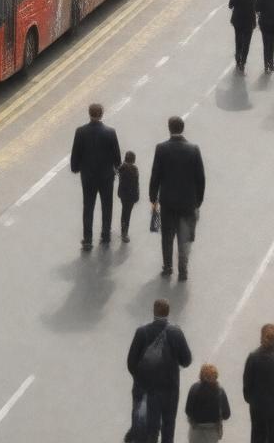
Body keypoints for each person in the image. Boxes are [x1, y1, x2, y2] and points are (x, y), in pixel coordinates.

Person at [127, 299, 193, 443]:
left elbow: (131, 363)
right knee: (168, 427)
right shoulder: (176, 332)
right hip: (169, 390)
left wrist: (141, 379)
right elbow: (186, 360)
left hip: (146, 390)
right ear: (168, 312)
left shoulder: (142, 332)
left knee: (149, 430)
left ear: (154, 312)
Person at [149, 116, 205, 281]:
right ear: (183, 128)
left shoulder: (161, 148)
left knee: (167, 236)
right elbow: (200, 178)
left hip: (168, 202)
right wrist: (198, 201)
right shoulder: (194, 149)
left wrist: (153, 197)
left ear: (169, 128)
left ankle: (167, 267)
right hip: (188, 202)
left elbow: (155, 175)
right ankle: (183, 270)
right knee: (184, 237)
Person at [69, 102, 122, 251]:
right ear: (102, 114)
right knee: (107, 205)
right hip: (106, 176)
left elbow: (76, 152)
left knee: (88, 206)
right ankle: (105, 235)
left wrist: (75, 168)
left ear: (89, 113)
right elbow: (117, 156)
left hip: (88, 176)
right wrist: (116, 166)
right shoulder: (110, 132)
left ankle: (87, 239)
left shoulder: (80, 132)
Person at [184, 364, 230, 442]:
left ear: (201, 376)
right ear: (215, 377)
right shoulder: (220, 391)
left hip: (196, 431)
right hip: (212, 433)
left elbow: (188, 411)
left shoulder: (194, 388)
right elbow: (226, 414)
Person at [243, 323, 274, 442]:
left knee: (257, 434)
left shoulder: (253, 357)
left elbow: (247, 382)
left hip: (257, 405)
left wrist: (250, 399)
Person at [229, 0, 258, 72]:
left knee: (238, 39)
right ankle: (243, 62)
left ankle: (238, 59)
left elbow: (230, 6)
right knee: (247, 43)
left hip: (237, 21)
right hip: (249, 22)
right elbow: (256, 8)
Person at [118, 150, 139, 244]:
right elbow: (136, 184)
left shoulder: (122, 168)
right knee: (128, 213)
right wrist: (137, 196)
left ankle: (123, 229)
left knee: (124, 211)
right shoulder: (135, 169)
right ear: (133, 160)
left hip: (123, 195)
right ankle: (125, 232)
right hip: (131, 196)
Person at [257, 0, 274, 74]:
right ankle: (271, 63)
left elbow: (257, 8)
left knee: (266, 43)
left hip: (264, 23)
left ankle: (266, 65)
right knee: (272, 44)